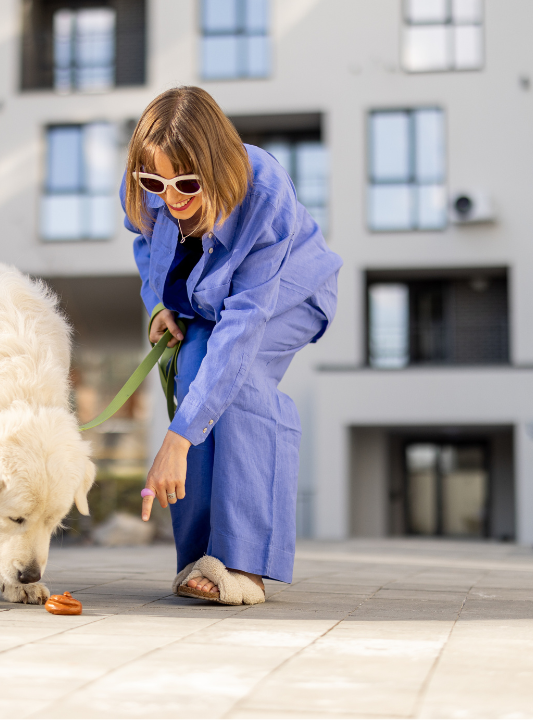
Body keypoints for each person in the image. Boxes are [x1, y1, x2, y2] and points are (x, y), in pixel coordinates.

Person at [123, 86, 342, 605]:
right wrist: (156, 303)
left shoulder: (265, 195)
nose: (170, 200)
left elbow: (243, 327)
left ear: (215, 168)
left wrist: (176, 441)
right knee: (196, 370)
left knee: (236, 382)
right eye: (156, 182)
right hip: (207, 297)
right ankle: (200, 559)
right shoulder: (147, 183)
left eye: (187, 185)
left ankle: (245, 565)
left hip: (289, 291)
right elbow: (143, 239)